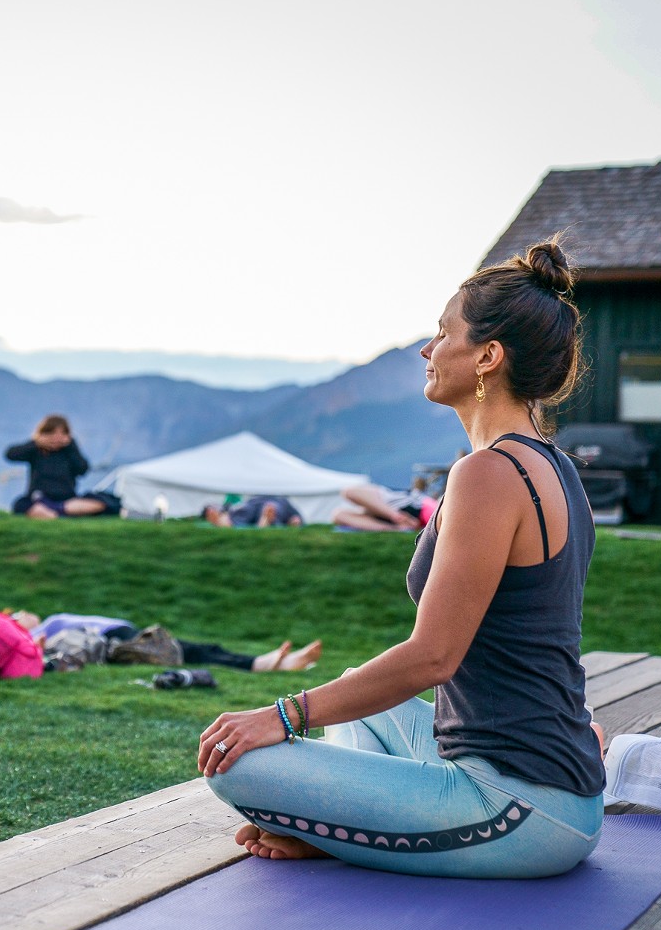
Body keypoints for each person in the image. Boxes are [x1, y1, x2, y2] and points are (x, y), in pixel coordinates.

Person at [198, 238, 605, 879]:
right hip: (545, 780)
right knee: (371, 696)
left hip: (517, 806)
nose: (427, 349)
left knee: (240, 760)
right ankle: (352, 828)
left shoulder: (490, 474)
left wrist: (281, 716)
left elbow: (433, 657)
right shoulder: (550, 464)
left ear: (488, 357)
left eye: (444, 333)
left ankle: (342, 830)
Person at [27, 612, 320, 672]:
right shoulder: (39, 630)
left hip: (123, 633)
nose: (24, 614)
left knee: (196, 650)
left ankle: (268, 662)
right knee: (191, 651)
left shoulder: (46, 624)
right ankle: (265, 663)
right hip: (115, 639)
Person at [5, 415, 117, 519]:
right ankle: (53, 513)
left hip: (67, 500)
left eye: (61, 434)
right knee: (21, 505)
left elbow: (82, 469)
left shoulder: (69, 450)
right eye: (52, 434)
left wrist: (71, 446)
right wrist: (36, 443)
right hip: (39, 497)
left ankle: (55, 511)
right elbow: (10, 454)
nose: (56, 438)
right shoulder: (36, 450)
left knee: (102, 502)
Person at [331, 479, 438, 531]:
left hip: (415, 506)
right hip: (396, 517)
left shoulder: (384, 494)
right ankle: (398, 526)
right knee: (338, 515)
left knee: (348, 492)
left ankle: (398, 518)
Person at [203, 495, 303, 528]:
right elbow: (298, 517)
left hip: (260, 504)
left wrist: (295, 520)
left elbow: (298, 518)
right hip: (258, 504)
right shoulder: (282, 501)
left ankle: (224, 520)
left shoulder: (283, 501)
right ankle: (265, 520)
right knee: (244, 511)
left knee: (242, 513)